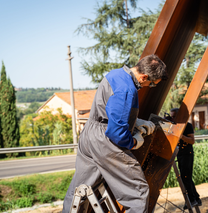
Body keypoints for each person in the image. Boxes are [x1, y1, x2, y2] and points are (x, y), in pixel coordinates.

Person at [62, 54, 167, 213]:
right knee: (138, 192)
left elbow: (110, 109)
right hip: (105, 140)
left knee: (80, 189)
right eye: (151, 84)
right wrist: (134, 141)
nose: (148, 86)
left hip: (89, 135)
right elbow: (117, 133)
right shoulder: (127, 90)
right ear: (144, 76)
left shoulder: (115, 74)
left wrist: (135, 121)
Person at [169, 108, 202, 209]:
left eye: (174, 116)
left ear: (179, 116)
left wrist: (181, 136)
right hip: (180, 154)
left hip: (187, 153)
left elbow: (192, 141)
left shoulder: (187, 126)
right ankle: (195, 198)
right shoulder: (174, 126)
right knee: (185, 177)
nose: (172, 118)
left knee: (185, 177)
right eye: (171, 116)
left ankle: (192, 200)